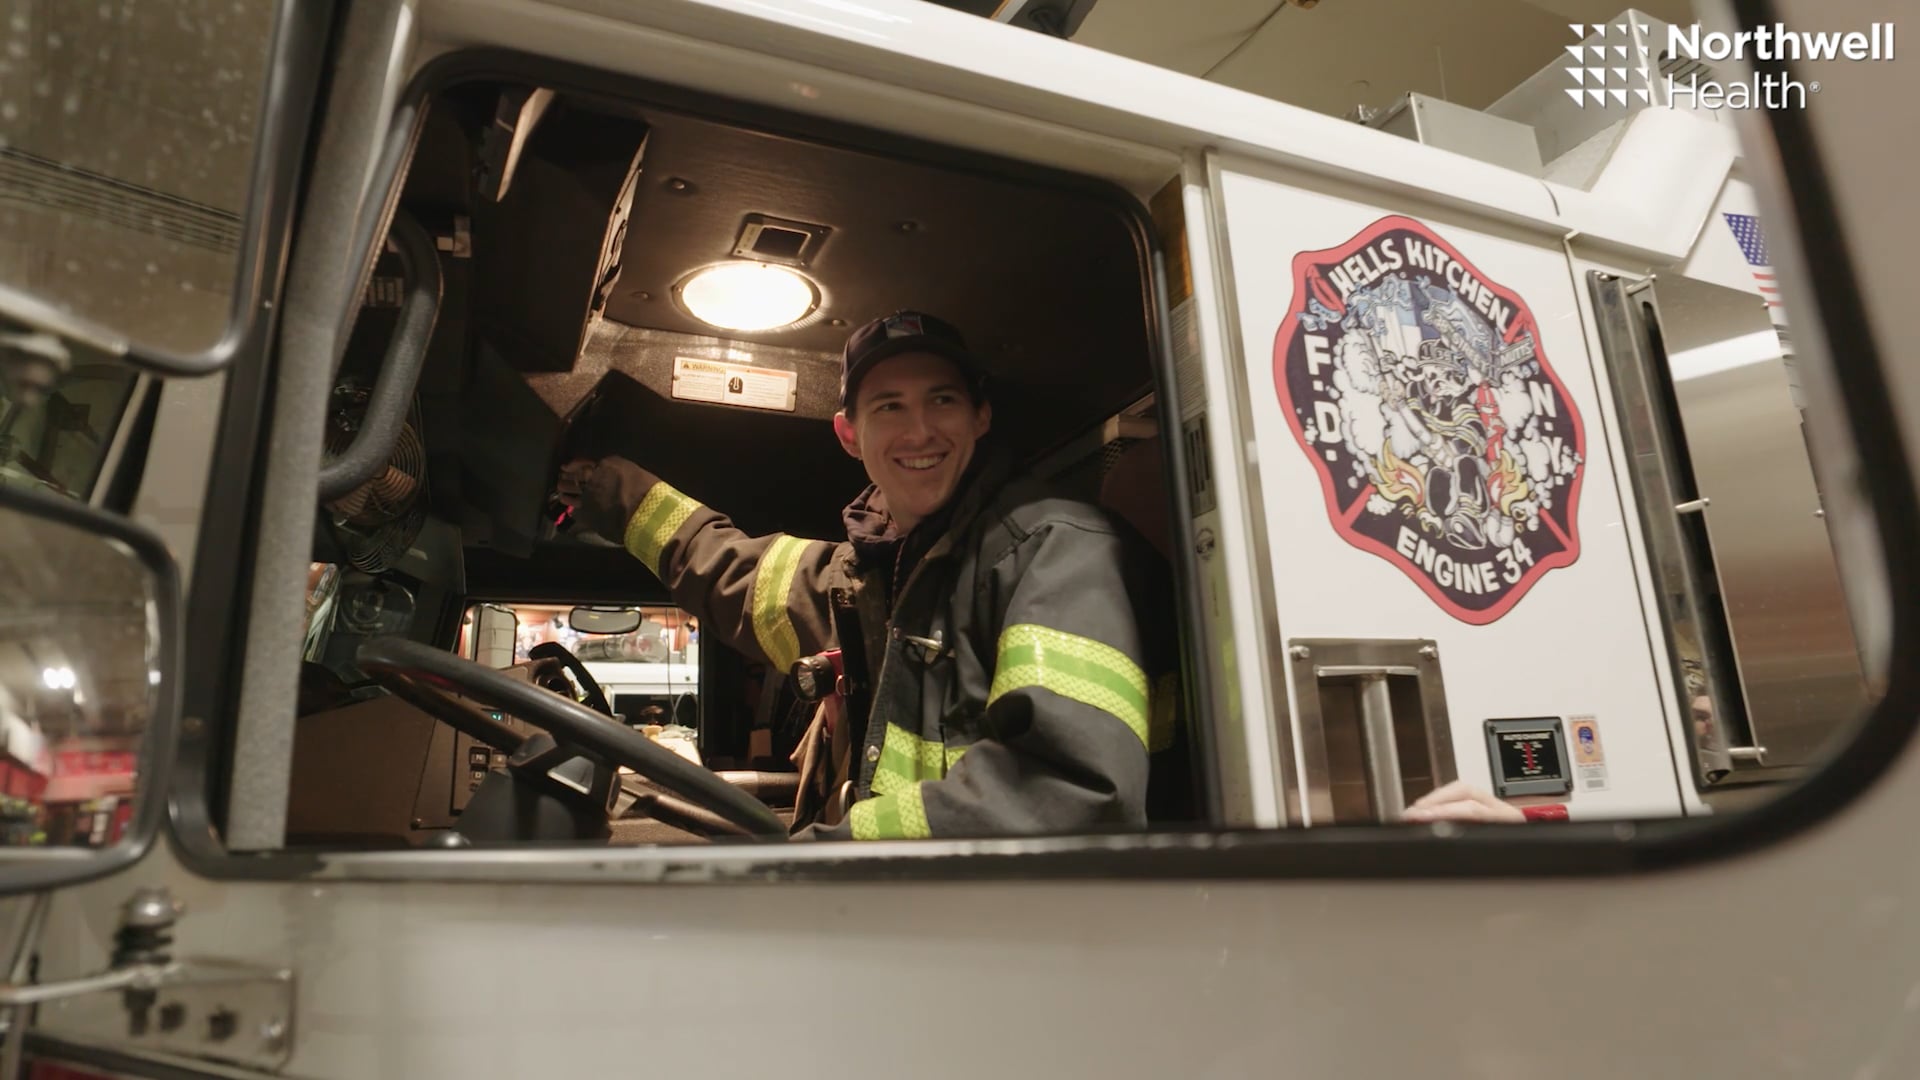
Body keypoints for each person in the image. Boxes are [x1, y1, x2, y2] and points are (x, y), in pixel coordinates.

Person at [558, 310, 1184, 841]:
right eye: (890, 406)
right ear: (850, 435)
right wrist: (602, 488)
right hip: (922, 925)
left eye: (943, 399)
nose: (920, 430)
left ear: (980, 417)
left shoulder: (1059, 552)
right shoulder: (873, 576)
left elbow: (1066, 793)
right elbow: (734, 574)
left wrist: (836, 854)